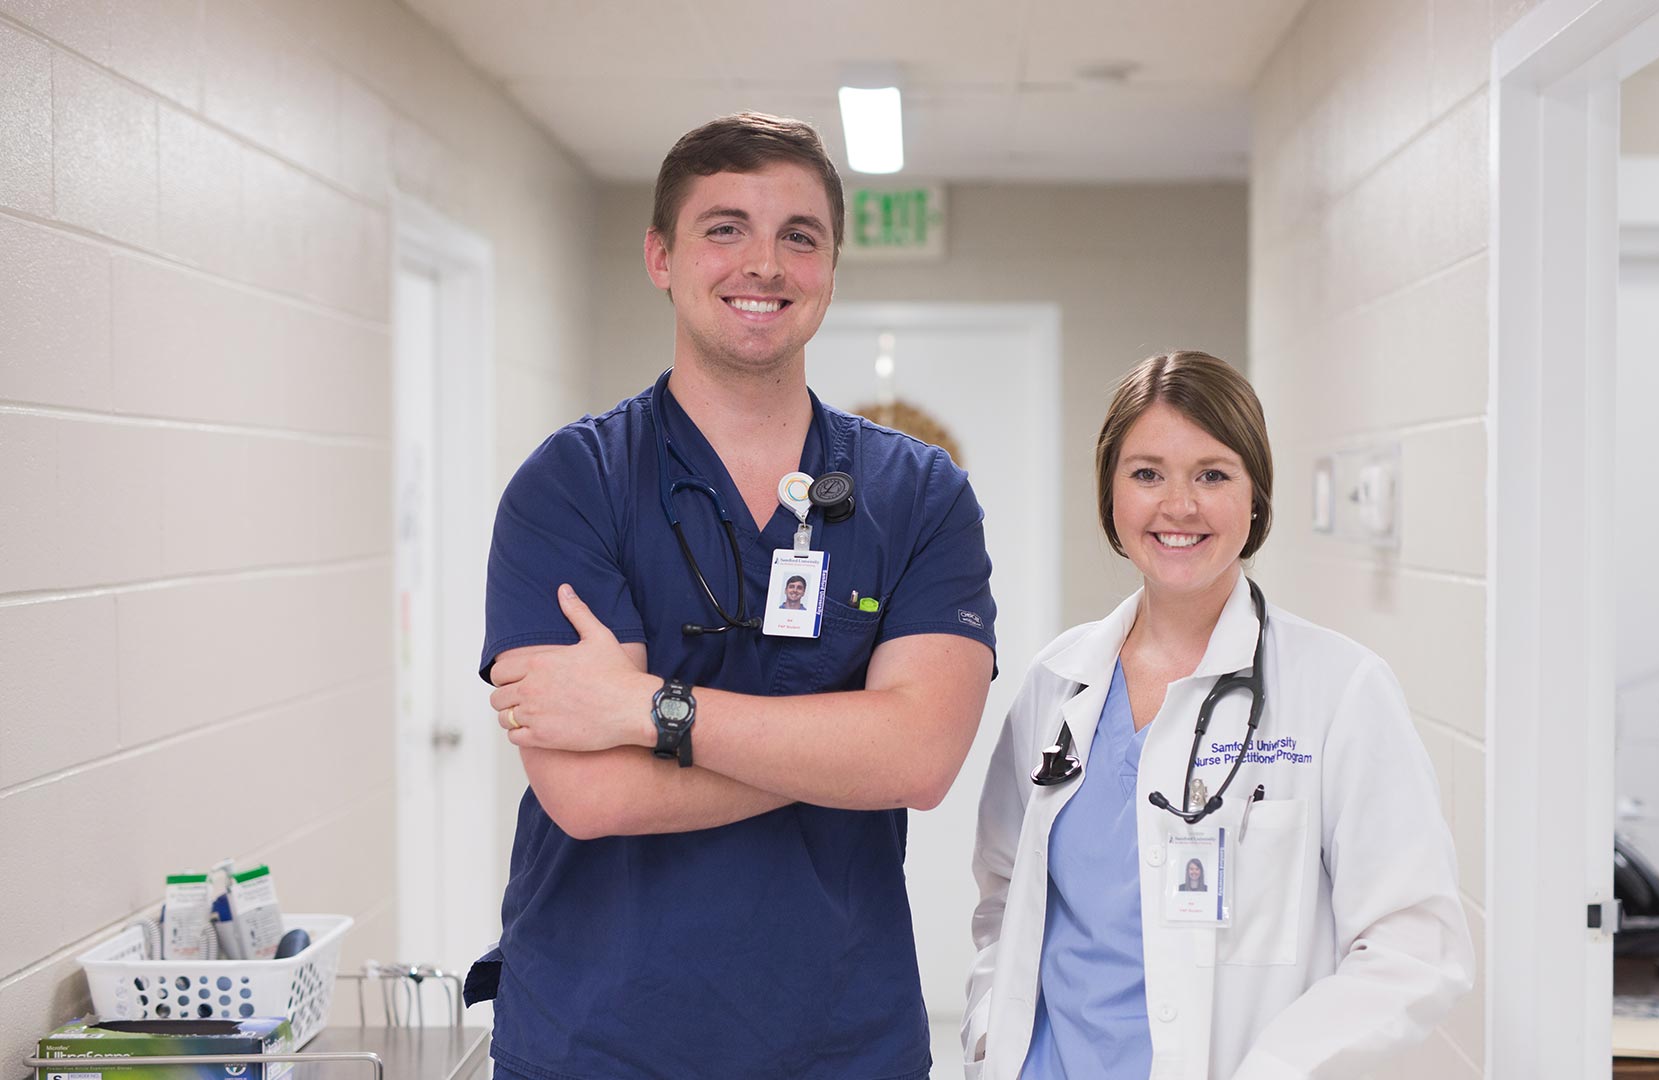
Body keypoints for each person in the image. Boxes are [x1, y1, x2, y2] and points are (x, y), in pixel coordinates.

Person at [473, 113, 998, 1080]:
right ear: (660, 256)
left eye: (800, 235)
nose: (765, 263)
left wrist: (648, 709)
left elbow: (921, 761)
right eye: (725, 228)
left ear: (832, 267)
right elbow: (589, 794)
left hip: (839, 1041)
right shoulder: (571, 484)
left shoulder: (919, 496)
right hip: (598, 1039)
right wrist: (850, 745)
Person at [964, 351, 1469, 1079]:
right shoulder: (1056, 685)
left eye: (1212, 474)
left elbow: (1418, 944)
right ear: (1110, 494)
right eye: (1146, 474)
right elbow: (1004, 897)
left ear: (1256, 495)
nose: (1178, 505)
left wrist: (1277, 1068)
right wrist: (989, 1039)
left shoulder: (1339, 689)